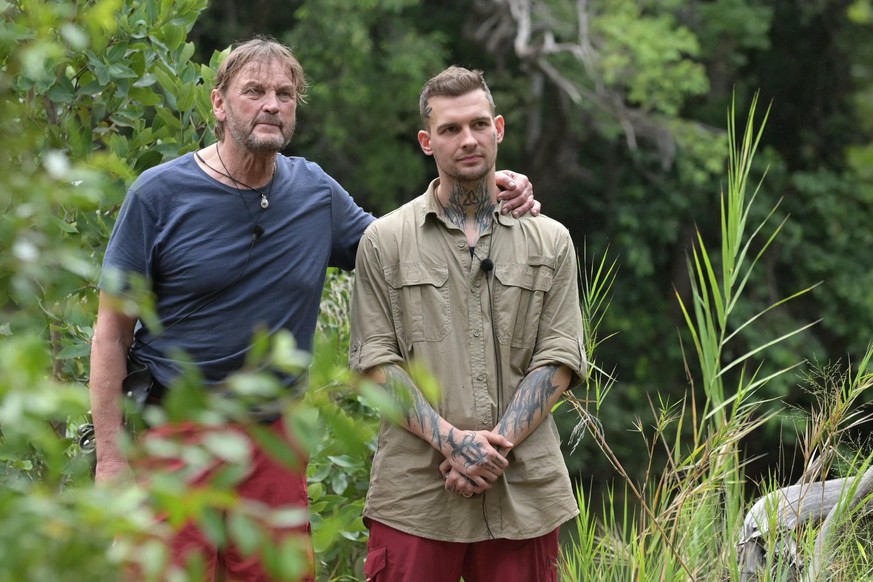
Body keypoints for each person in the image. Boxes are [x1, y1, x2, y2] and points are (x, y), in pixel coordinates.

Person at [88, 38, 539, 582]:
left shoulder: (313, 192)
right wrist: (112, 460)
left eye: (284, 93)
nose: (271, 105)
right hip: (172, 435)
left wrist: (486, 186)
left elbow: (401, 244)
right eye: (253, 91)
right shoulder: (159, 195)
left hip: (272, 440)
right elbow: (111, 333)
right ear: (218, 103)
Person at [348, 66, 587, 582]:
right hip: (415, 497)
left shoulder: (551, 241)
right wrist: (454, 443)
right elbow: (374, 363)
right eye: (450, 129)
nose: (468, 139)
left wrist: (490, 449)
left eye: (479, 124)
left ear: (498, 128)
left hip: (523, 495)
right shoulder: (385, 241)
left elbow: (560, 359)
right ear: (426, 142)